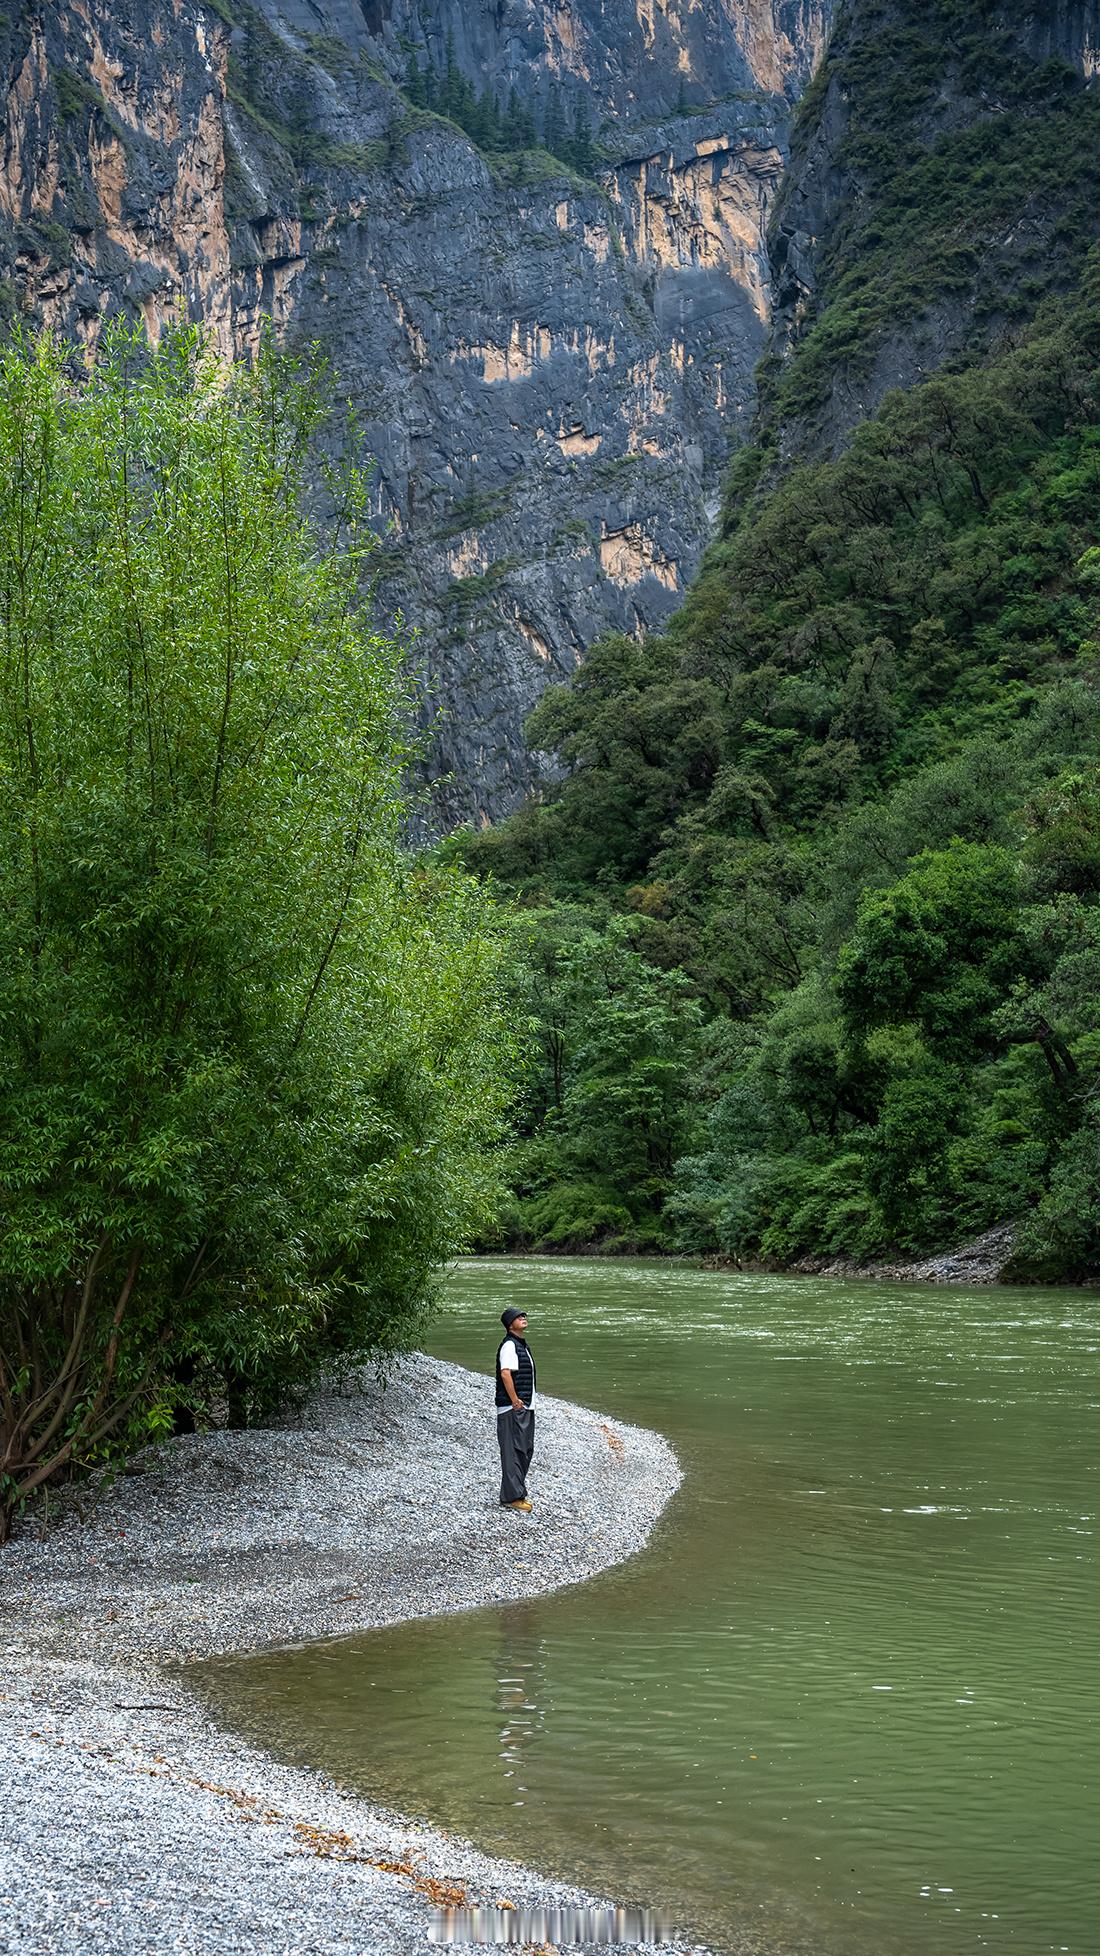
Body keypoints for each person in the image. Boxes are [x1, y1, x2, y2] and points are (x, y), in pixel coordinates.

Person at [496, 1306, 535, 1511]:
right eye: (518, 1317)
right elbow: (505, 1373)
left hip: (523, 1405)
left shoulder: (520, 1345)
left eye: (523, 1315)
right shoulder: (509, 1346)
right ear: (510, 1324)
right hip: (513, 1408)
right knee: (514, 1451)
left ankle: (514, 1493)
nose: (523, 1318)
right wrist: (514, 1400)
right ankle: (512, 1498)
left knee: (524, 1450)